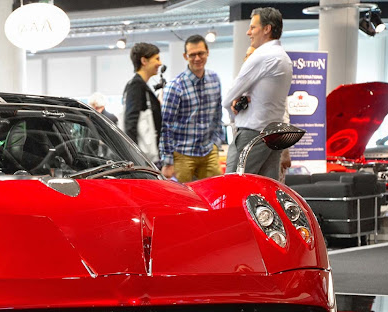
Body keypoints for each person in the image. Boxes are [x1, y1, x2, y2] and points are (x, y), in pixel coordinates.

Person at [222, 7, 292, 179]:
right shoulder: (284, 58)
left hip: (252, 134)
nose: (248, 32)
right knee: (264, 192)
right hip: (273, 135)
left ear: (267, 29)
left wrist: (234, 115)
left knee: (233, 188)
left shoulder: (261, 57)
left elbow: (227, 99)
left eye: (253, 27)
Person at [160, 35, 223, 183]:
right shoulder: (175, 86)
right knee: (180, 199)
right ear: (185, 56)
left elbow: (217, 113)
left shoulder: (214, 79)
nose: (197, 58)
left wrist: (217, 141)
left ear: (207, 52)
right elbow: (166, 126)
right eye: (192, 55)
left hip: (209, 151)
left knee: (216, 194)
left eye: (200, 53)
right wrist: (168, 161)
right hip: (182, 154)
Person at [123, 42, 165, 175]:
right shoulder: (136, 86)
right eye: (157, 59)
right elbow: (130, 123)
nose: (160, 63)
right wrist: (135, 158)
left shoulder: (141, 86)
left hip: (144, 159)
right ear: (144, 61)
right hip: (141, 160)